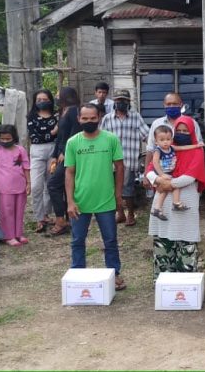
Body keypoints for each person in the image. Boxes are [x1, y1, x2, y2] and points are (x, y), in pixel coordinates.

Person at [64, 104, 126, 290]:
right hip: (80, 201)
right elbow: (69, 172)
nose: (89, 121)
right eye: (85, 118)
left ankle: (114, 274)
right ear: (79, 119)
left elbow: (120, 168)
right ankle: (77, 274)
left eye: (92, 118)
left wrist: (118, 195)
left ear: (99, 117)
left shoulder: (110, 139)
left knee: (110, 240)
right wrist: (70, 201)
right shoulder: (73, 142)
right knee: (77, 241)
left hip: (106, 199)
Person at [146, 116, 205, 279]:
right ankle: (163, 284)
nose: (181, 133)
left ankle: (186, 285)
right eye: (178, 131)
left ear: (192, 132)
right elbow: (151, 169)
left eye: (185, 131)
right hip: (163, 204)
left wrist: (169, 184)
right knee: (163, 241)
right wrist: (157, 179)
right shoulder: (166, 148)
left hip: (185, 200)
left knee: (185, 240)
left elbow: (191, 176)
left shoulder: (196, 151)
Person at [99, 90, 149, 226]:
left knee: (128, 189)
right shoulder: (107, 119)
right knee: (113, 188)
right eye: (118, 100)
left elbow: (147, 135)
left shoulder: (136, 117)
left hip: (129, 159)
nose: (121, 102)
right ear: (114, 101)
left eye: (124, 100)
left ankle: (131, 215)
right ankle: (120, 213)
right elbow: (100, 138)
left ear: (128, 102)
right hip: (110, 161)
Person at [47, 87, 82, 236]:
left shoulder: (74, 111)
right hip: (61, 153)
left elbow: (75, 133)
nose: (56, 97)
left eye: (58, 94)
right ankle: (67, 219)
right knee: (60, 186)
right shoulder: (63, 111)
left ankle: (61, 220)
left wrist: (66, 153)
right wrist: (55, 155)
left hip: (69, 155)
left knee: (53, 184)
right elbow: (60, 136)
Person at [150, 126, 203, 220]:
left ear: (171, 139)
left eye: (168, 139)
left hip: (170, 174)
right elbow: (154, 163)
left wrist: (196, 146)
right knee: (167, 190)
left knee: (171, 188)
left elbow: (183, 148)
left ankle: (169, 205)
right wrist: (160, 175)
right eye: (162, 140)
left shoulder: (172, 148)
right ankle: (166, 206)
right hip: (162, 174)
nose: (165, 142)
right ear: (156, 141)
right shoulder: (158, 151)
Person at [144, 92, 204, 175]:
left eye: (175, 104)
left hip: (186, 170)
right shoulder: (156, 124)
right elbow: (150, 149)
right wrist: (146, 173)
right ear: (164, 105)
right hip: (162, 173)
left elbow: (198, 147)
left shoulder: (191, 123)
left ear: (181, 104)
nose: (171, 106)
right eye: (168, 104)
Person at [26, 89, 57, 233]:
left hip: (53, 150)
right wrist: (52, 132)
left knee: (50, 184)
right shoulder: (31, 116)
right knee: (37, 185)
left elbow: (58, 135)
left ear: (50, 100)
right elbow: (35, 137)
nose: (42, 102)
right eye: (39, 100)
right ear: (35, 102)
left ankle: (45, 215)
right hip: (37, 150)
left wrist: (51, 135)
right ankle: (38, 217)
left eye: (45, 99)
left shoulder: (56, 116)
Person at [0, 125, 31, 246]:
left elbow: (26, 167)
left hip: (20, 185)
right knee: (6, 211)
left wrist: (28, 183)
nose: (5, 141)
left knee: (19, 210)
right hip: (4, 187)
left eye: (8, 138)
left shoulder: (20, 150)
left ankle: (18, 234)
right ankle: (8, 236)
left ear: (14, 137)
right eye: (2, 139)